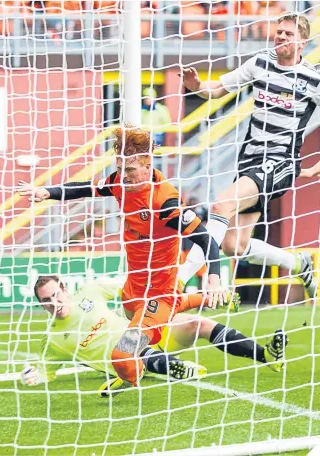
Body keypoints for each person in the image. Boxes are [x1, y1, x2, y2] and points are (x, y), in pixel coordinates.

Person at [18, 125, 227, 387]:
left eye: (128, 170)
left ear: (147, 167)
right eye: (119, 168)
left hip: (158, 294)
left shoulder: (165, 202)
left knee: (123, 353)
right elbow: (88, 188)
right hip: (134, 290)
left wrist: (214, 278)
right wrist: (49, 192)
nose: (122, 175)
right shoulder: (119, 183)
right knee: (132, 335)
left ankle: (147, 365)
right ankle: (144, 356)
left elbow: (206, 239)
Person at [179, 13, 320, 298]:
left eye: (288, 34)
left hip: (279, 163)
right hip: (249, 161)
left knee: (221, 206)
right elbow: (219, 89)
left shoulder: (314, 81)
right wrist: (197, 87)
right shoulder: (259, 63)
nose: (281, 37)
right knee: (233, 246)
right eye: (279, 32)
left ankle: (177, 282)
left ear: (303, 42)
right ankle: (298, 263)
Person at [21, 275, 287, 397]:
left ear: (65, 289)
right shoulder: (52, 339)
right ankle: (175, 368)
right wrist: (32, 375)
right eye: (46, 300)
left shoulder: (92, 290)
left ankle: (266, 355)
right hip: (127, 361)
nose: (54, 302)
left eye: (56, 294)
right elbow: (46, 372)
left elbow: (133, 291)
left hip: (145, 333)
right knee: (133, 346)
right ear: (41, 304)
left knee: (198, 323)